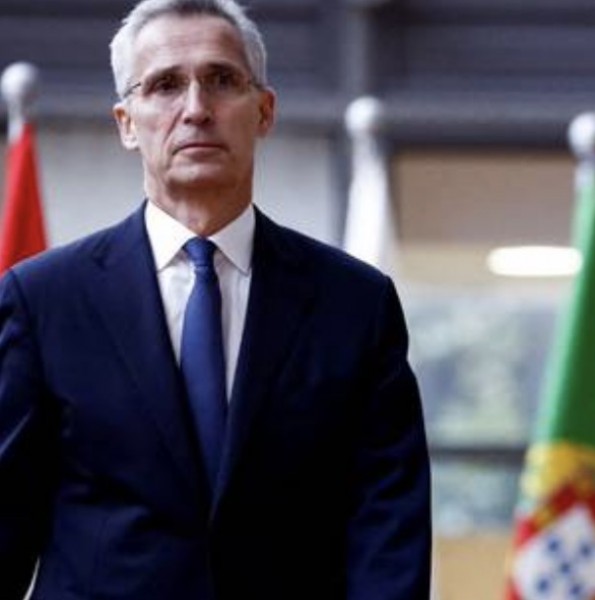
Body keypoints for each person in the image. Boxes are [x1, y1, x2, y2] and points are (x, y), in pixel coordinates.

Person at [0, 0, 431, 598]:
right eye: (165, 85)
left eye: (222, 80)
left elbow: (388, 531)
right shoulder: (44, 299)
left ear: (265, 110)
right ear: (127, 122)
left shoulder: (356, 304)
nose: (196, 108)